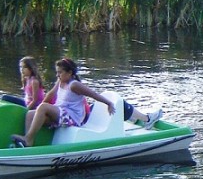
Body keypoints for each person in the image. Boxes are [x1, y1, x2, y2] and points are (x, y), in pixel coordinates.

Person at [10, 57, 163, 147]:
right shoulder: (60, 81)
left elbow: (94, 94)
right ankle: (28, 144)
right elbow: (51, 94)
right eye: (57, 72)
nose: (58, 75)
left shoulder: (74, 84)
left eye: (60, 72)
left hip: (72, 117)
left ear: (69, 73)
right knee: (31, 113)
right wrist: (40, 106)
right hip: (61, 113)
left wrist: (109, 103)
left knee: (42, 108)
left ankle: (28, 139)